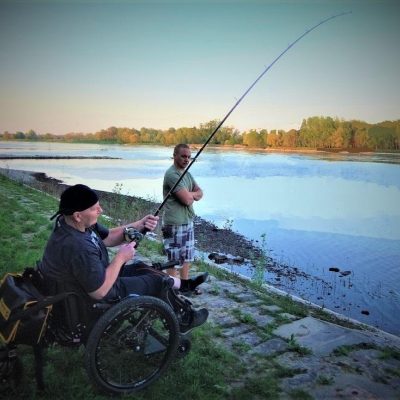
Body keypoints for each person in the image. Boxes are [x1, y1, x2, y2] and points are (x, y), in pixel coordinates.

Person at [39, 183, 208, 332]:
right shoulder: (78, 246)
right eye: (95, 208)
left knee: (141, 267)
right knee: (158, 282)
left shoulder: (73, 223)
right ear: (77, 215)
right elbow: (99, 292)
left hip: (90, 280)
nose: (101, 210)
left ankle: (185, 285)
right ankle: (185, 319)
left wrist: (140, 224)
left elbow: (109, 237)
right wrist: (120, 258)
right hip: (95, 296)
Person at [162, 144, 203, 292]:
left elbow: (200, 192)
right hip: (174, 224)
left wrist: (190, 194)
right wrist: (191, 196)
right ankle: (171, 290)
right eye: (183, 156)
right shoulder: (172, 174)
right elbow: (186, 200)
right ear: (174, 156)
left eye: (189, 157)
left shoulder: (187, 174)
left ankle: (184, 286)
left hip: (187, 221)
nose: (186, 159)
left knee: (187, 257)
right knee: (174, 260)